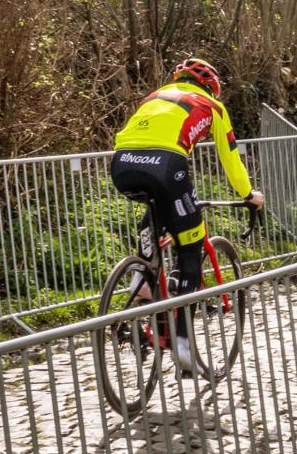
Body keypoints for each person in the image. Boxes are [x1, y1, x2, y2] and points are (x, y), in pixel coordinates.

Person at [108, 58, 263, 358]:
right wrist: (248, 195)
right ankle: (182, 345)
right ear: (210, 87)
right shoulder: (213, 106)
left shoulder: (153, 97)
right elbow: (230, 159)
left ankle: (142, 272)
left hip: (122, 164)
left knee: (157, 209)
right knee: (190, 247)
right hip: (165, 165)